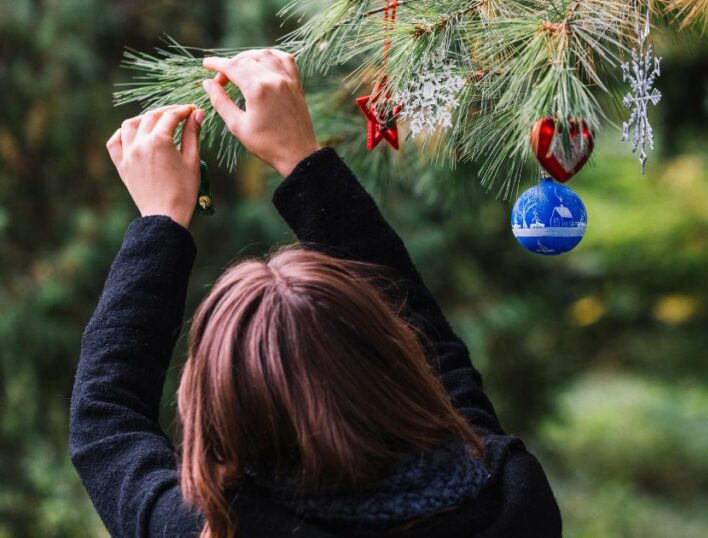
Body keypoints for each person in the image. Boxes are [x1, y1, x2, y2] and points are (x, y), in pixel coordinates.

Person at [69, 49, 561, 538]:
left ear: (220, 412)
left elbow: (105, 423)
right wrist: (301, 158)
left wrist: (160, 221)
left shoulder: (214, 529)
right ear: (394, 358)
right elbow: (441, 362)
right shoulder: (507, 499)